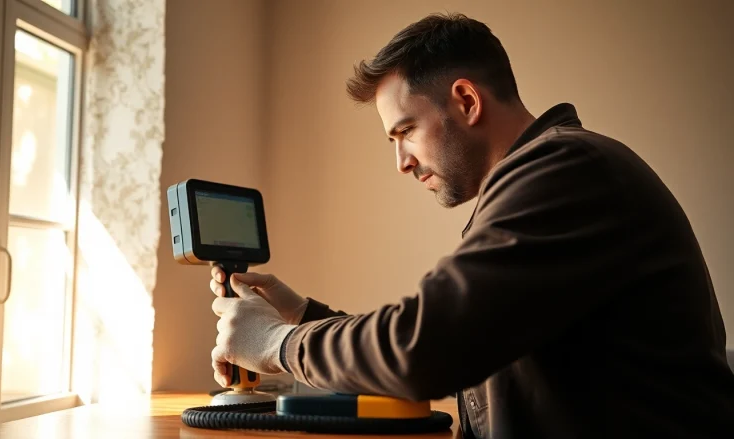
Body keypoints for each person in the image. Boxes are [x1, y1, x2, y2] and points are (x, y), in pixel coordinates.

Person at [208, 12, 734, 439]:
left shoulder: (567, 172)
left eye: (405, 131)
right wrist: (303, 315)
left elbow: (423, 351)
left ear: (466, 100)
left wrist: (277, 342)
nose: (401, 162)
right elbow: (450, 338)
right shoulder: (555, 178)